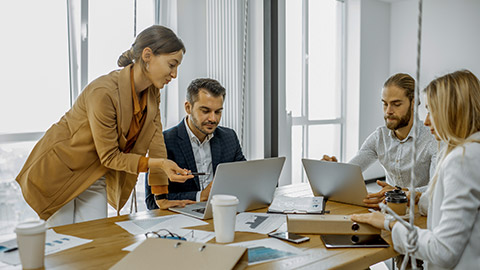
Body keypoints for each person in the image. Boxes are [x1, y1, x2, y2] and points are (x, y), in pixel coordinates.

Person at [16, 25, 194, 227]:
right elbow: (110, 156)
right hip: (60, 171)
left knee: (95, 239)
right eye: (172, 65)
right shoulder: (103, 91)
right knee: (64, 247)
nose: (174, 74)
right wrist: (159, 164)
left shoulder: (152, 94)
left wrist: (161, 196)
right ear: (147, 55)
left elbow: (156, 143)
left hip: (94, 173)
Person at [352, 70, 480, 269]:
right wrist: (412, 197)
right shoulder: (469, 151)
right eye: (385, 104)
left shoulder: (462, 159)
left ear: (453, 111)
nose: (427, 120)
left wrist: (389, 223)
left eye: (432, 111)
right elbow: (437, 200)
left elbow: (444, 251)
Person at [323, 73, 437, 208]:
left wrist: (399, 193)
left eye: (396, 104)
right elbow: (352, 170)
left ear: (413, 103)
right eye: (385, 104)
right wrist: (333, 170)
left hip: (421, 211)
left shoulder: (432, 139)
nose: (388, 111)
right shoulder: (379, 137)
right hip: (388, 210)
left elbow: (435, 188)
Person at [145, 78, 246, 210]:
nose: (213, 119)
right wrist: (200, 196)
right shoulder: (163, 142)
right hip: (181, 222)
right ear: (188, 107)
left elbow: (245, 179)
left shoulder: (229, 137)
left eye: (218, 112)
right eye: (205, 111)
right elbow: (152, 202)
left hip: (222, 212)